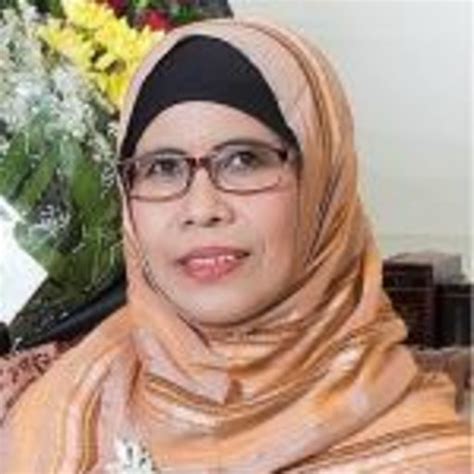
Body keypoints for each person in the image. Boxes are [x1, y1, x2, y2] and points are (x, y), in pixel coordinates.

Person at [0, 17, 470, 473]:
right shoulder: (61, 405)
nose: (201, 208)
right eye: (163, 167)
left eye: (244, 160)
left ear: (323, 183)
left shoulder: (428, 458)